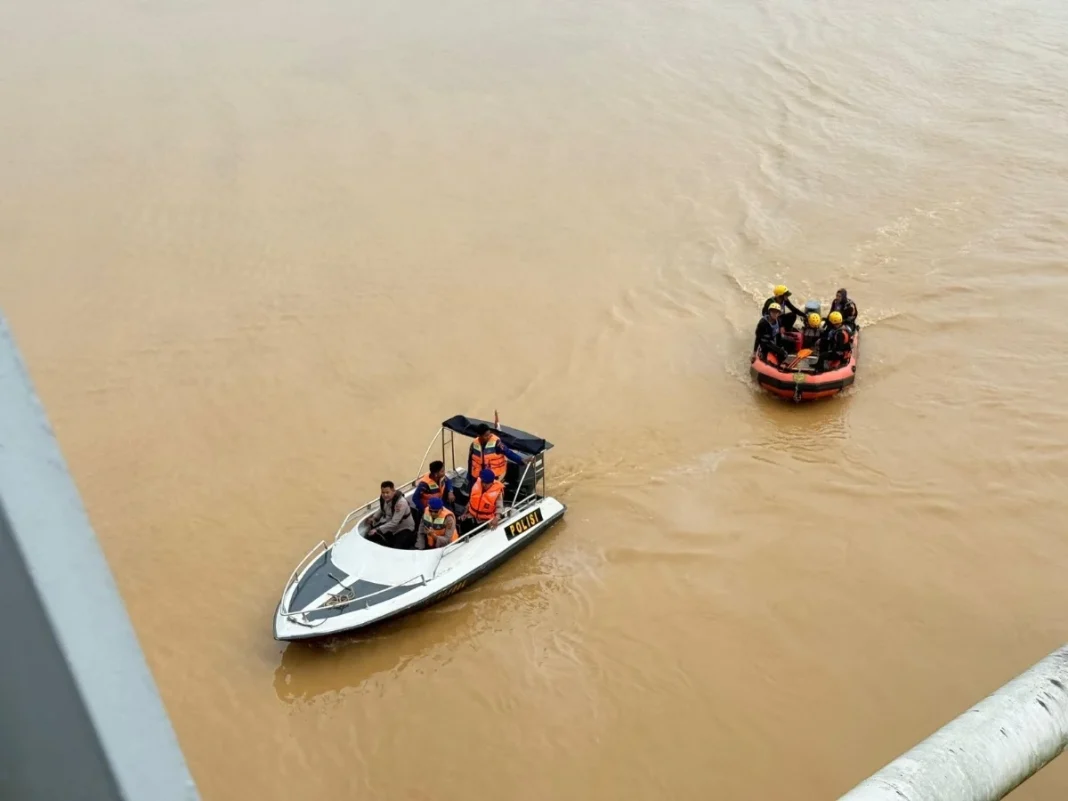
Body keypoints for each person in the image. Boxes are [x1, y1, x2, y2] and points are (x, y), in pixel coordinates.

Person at [467, 423, 532, 486]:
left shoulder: (496, 443)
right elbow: (470, 461)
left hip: (493, 477)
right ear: (479, 435)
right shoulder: (474, 444)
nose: (489, 436)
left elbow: (508, 452)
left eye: (489, 434)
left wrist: (520, 460)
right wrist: (469, 476)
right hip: (477, 477)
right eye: (486, 435)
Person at [367, 480, 416, 550]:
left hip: (404, 528)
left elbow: (394, 523)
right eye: (383, 492)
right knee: (370, 535)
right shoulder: (384, 498)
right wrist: (374, 518)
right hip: (389, 524)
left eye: (387, 492)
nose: (385, 495)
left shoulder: (401, 503)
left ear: (393, 491)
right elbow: (382, 509)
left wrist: (378, 529)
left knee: (397, 548)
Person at [461, 468, 506, 533]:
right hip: (472, 516)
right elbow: (471, 501)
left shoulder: (497, 492)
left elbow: (499, 507)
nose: (484, 485)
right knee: (463, 526)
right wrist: (465, 513)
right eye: (483, 482)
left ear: (492, 483)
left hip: (486, 521)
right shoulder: (477, 485)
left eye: (487, 483)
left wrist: (496, 518)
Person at [753, 303, 789, 367]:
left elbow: (780, 329)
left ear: (779, 313)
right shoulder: (763, 323)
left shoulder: (778, 320)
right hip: (765, 343)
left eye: (777, 312)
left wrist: (782, 329)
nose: (775, 314)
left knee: (788, 343)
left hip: (773, 340)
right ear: (770, 312)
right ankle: (766, 357)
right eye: (773, 312)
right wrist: (754, 352)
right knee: (783, 353)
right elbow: (758, 337)